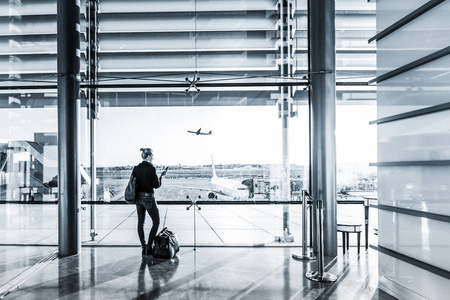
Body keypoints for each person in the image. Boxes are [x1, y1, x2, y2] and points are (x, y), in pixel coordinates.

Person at [133, 148, 167, 256]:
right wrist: (161, 177)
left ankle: (143, 247)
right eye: (152, 156)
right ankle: (149, 245)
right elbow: (156, 185)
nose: (153, 158)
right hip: (148, 198)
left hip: (138, 198)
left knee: (140, 222)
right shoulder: (151, 168)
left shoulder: (136, 168)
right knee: (156, 221)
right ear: (148, 156)